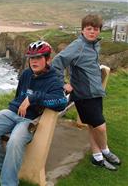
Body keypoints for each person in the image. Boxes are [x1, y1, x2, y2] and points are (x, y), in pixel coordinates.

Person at [0, 40, 67, 186]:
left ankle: (8, 183)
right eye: (32, 58)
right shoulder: (26, 74)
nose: (34, 61)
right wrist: (20, 103)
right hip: (12, 112)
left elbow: (61, 102)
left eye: (39, 57)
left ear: (48, 59)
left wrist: (33, 98)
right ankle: (0, 168)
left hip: (29, 120)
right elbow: (18, 95)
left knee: (14, 141)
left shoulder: (54, 80)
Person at [51, 14, 121, 171]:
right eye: (89, 29)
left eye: (95, 29)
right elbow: (57, 63)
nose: (92, 32)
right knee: (100, 127)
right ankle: (106, 151)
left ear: (99, 31)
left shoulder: (94, 45)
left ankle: (97, 158)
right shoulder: (78, 46)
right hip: (84, 95)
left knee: (92, 126)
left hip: (95, 92)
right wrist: (63, 84)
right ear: (82, 30)